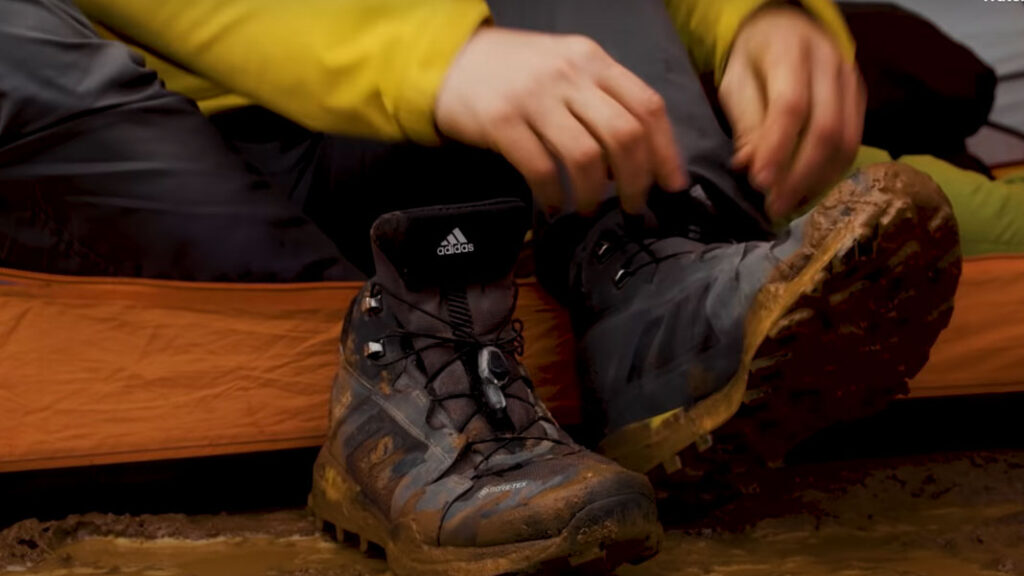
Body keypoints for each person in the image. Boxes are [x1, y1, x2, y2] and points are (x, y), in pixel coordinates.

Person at [0, 0, 961, 574]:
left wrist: (762, 16)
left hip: (470, 129)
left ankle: (654, 287)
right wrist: (432, 56)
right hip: (175, 140)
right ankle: (415, 340)